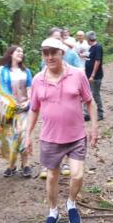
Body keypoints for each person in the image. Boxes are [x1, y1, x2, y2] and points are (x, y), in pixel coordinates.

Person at [26, 37, 98, 223]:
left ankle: (71, 203)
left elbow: (90, 102)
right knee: (51, 178)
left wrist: (94, 127)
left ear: (62, 53)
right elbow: (33, 109)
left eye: (53, 52)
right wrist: (27, 134)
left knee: (77, 175)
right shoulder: (38, 80)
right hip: (50, 138)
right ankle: (53, 211)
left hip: (76, 136)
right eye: (45, 53)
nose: (49, 57)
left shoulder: (77, 75)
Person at [39, 27, 83, 179]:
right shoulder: (46, 58)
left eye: (60, 39)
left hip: (68, 96)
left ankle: (64, 162)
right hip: (50, 103)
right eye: (55, 38)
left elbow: (80, 70)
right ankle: (47, 164)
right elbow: (41, 74)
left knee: (66, 130)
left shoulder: (70, 54)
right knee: (52, 131)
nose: (58, 41)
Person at [0, 46, 33, 178]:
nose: (21, 53)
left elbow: (30, 87)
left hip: (23, 109)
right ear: (11, 54)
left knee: (21, 134)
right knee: (9, 137)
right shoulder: (1, 71)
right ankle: (11, 165)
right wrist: (9, 103)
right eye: (18, 51)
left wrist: (28, 101)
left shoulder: (26, 71)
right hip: (7, 110)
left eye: (22, 52)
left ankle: (25, 164)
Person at [85, 31, 104, 121]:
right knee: (88, 94)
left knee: (95, 94)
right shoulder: (91, 48)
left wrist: (92, 75)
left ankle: (100, 113)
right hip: (88, 75)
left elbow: (97, 61)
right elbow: (91, 59)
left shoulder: (98, 47)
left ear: (88, 39)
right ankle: (88, 114)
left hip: (95, 77)